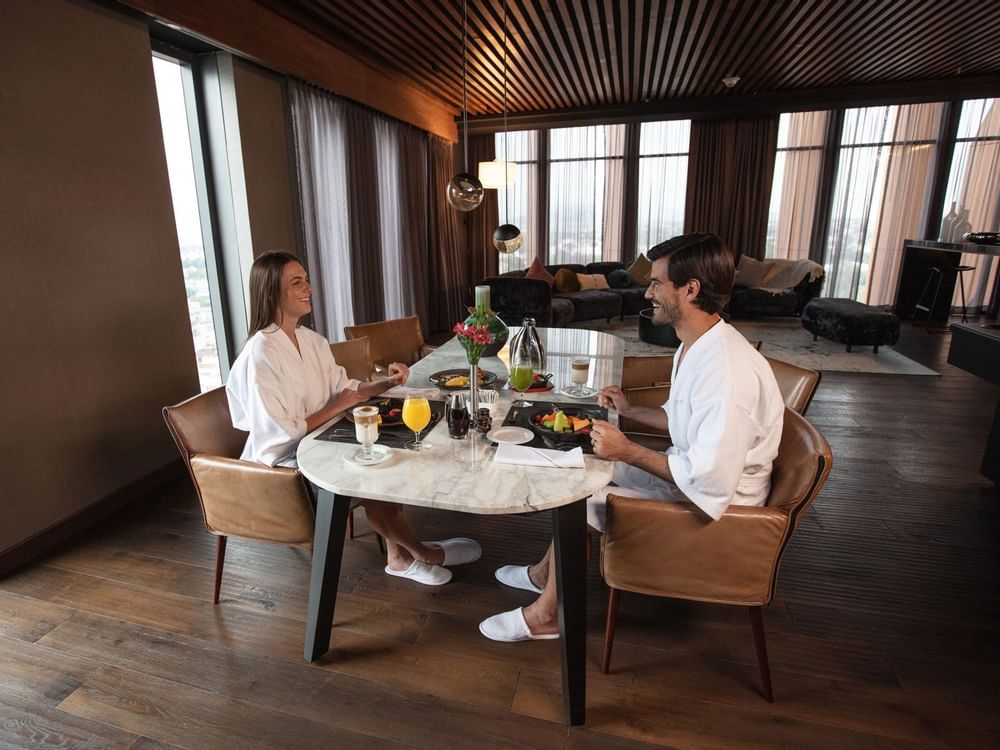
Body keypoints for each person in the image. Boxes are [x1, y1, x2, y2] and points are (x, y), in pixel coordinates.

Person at [479, 232, 784, 641]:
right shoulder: (700, 343)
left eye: (657, 282)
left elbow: (709, 479)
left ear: (690, 289)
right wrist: (631, 412)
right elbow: (686, 420)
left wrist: (628, 449)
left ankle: (546, 616)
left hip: (723, 513)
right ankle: (543, 575)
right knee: (591, 463)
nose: (648, 291)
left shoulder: (727, 372)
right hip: (697, 483)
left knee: (583, 500)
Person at [226, 250, 480, 587]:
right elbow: (279, 434)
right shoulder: (260, 357)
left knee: (393, 448)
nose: (309, 288)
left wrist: (387, 382)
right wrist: (338, 406)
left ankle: (400, 556)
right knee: (374, 470)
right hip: (285, 468)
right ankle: (420, 553)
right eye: (297, 282)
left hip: (321, 439)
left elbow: (347, 389)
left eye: (307, 280)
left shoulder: (311, 340)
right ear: (272, 292)